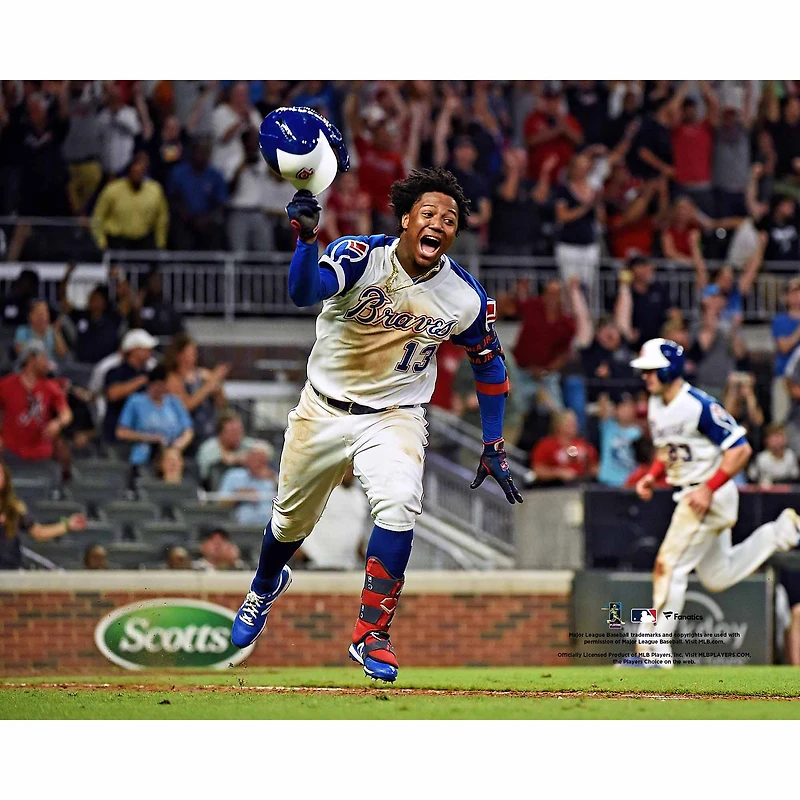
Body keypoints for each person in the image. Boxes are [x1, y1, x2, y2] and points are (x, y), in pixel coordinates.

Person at [230, 165, 522, 684]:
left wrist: (494, 441)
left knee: (400, 503)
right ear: (407, 219)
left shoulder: (464, 295)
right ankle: (265, 583)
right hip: (323, 407)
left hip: (395, 414)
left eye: (450, 218)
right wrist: (305, 239)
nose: (439, 222)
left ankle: (371, 634)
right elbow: (304, 293)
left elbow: (489, 361)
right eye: (429, 212)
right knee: (288, 525)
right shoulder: (360, 256)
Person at [621, 338, 800, 669]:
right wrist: (653, 474)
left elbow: (741, 449)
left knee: (668, 566)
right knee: (718, 574)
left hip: (707, 495)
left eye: (651, 371)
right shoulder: (659, 404)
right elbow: (669, 450)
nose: (645, 377)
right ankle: (780, 533)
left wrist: (707, 488)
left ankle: (652, 654)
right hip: (693, 492)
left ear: (669, 370)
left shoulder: (697, 404)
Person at [0, 341, 73, 477]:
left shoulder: (49, 386)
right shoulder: (7, 384)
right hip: (11, 452)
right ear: (31, 359)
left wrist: (58, 423)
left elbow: (66, 413)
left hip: (41, 454)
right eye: (43, 358)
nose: (47, 363)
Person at [0, 462, 87, 570]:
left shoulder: (15, 507)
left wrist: (67, 525)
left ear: (5, 478)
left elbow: (38, 532)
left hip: (11, 569)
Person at [512, 279, 576, 413]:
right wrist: (519, 292)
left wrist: (546, 370)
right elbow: (511, 306)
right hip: (521, 372)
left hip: (547, 376)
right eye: (549, 293)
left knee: (556, 413)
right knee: (517, 411)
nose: (552, 297)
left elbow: (565, 354)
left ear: (561, 297)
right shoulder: (532, 306)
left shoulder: (567, 324)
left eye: (556, 294)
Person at [115, 364, 194, 466]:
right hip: (144, 453)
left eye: (162, 385)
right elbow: (121, 432)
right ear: (150, 384)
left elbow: (188, 430)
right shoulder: (136, 401)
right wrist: (150, 438)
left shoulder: (174, 402)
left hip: (171, 454)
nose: (160, 389)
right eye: (156, 385)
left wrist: (177, 446)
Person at [296, 462, 369, 570]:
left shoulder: (359, 497)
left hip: (347, 565)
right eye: (347, 467)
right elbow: (298, 520)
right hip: (316, 563)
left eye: (353, 468)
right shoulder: (320, 491)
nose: (350, 472)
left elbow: (357, 530)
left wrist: (366, 558)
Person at [91, 151, 169, 251]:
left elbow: (162, 218)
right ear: (129, 172)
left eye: (141, 172)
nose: (138, 175)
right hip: (117, 240)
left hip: (143, 240)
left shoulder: (155, 190)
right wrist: (101, 244)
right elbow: (98, 217)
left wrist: (160, 244)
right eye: (135, 171)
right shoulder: (112, 189)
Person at [552, 151, 603, 296]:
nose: (581, 171)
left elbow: (601, 219)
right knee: (570, 287)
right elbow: (562, 216)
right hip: (568, 245)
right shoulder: (563, 190)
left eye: (584, 167)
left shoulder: (594, 191)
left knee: (589, 287)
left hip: (589, 245)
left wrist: (598, 203)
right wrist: (586, 207)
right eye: (578, 167)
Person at [163, 332, 229, 445]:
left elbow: (222, 404)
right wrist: (208, 387)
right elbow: (185, 406)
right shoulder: (173, 378)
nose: (194, 355)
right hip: (187, 431)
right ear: (179, 355)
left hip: (208, 429)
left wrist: (218, 388)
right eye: (190, 352)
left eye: (194, 352)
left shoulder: (204, 374)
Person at [168, 138, 228, 251]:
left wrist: (206, 220)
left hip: (208, 222)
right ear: (192, 152)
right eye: (199, 152)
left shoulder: (215, 175)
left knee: (216, 229)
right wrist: (188, 217)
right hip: (185, 220)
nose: (202, 156)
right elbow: (173, 198)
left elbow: (221, 204)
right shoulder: (178, 173)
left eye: (205, 152)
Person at [58, 263, 123, 365]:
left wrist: (119, 278)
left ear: (104, 302)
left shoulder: (112, 317)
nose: (92, 300)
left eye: (96, 298)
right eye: (91, 297)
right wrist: (67, 276)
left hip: (106, 365)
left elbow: (128, 301)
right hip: (82, 364)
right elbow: (63, 300)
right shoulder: (81, 315)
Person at [102, 328, 159, 442]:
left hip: (143, 431)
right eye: (145, 349)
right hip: (117, 433)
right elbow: (113, 394)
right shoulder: (115, 372)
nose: (150, 352)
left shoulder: (148, 372)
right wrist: (140, 381)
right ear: (134, 350)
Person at [196, 410, 267, 490]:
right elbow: (204, 473)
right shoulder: (209, 447)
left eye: (239, 431)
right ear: (221, 433)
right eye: (232, 432)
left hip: (246, 487)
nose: (237, 436)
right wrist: (234, 459)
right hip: (216, 488)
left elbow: (265, 448)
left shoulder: (244, 443)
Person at [531, 409, 598, 485]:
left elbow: (594, 466)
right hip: (555, 486)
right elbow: (537, 471)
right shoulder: (546, 445)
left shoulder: (584, 444)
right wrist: (558, 473)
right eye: (570, 423)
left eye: (575, 422)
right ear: (559, 425)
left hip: (582, 483)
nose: (575, 426)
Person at [217, 444, 278, 525]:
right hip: (241, 521)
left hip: (270, 523)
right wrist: (239, 495)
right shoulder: (233, 475)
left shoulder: (273, 478)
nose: (257, 463)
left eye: (261, 460)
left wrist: (274, 479)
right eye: (254, 458)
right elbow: (221, 501)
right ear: (247, 459)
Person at [596, 393, 642, 487]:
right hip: (607, 483)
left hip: (631, 483)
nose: (626, 410)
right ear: (616, 410)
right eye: (623, 407)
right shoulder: (608, 426)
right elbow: (602, 405)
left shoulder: (639, 432)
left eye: (629, 406)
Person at [13, 300, 68, 365]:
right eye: (39, 313)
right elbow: (18, 351)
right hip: (29, 368)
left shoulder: (52, 331)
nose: (43, 316)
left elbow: (62, 353)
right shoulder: (23, 331)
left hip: (50, 370)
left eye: (45, 312)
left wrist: (55, 332)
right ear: (30, 315)